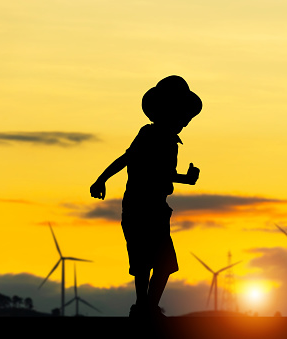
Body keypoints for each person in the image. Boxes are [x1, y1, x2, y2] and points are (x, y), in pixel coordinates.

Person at [90, 75, 202, 319]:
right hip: (140, 206)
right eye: (182, 115)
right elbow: (128, 158)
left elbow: (162, 174)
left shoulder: (171, 141)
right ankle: (144, 308)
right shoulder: (149, 135)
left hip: (157, 206)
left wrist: (185, 179)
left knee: (161, 263)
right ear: (169, 111)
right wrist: (102, 179)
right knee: (145, 262)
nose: (185, 122)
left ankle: (147, 308)